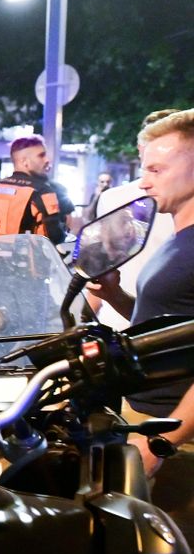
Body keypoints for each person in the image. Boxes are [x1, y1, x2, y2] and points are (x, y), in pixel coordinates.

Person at [87, 108, 194, 476]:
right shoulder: (178, 238)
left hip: (175, 433)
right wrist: (115, 294)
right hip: (147, 417)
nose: (143, 182)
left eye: (156, 170)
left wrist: (164, 442)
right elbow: (168, 327)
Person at [0, 136, 75, 244]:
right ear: (24, 162)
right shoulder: (41, 191)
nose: (47, 160)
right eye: (41, 156)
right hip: (25, 259)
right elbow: (53, 236)